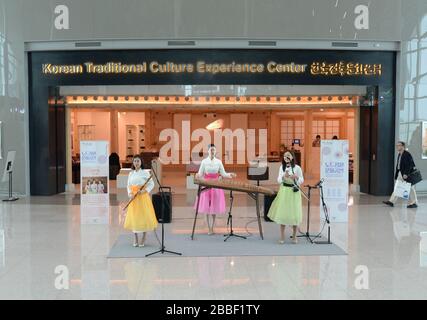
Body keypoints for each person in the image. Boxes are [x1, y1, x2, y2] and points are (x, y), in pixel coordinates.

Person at [194, 144, 237, 235]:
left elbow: (224, 174)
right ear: (208, 151)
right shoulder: (204, 162)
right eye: (211, 150)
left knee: (213, 208)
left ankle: (211, 228)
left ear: (215, 151)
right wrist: (197, 175)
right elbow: (200, 174)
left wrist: (230, 175)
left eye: (214, 150)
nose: (212, 152)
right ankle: (208, 227)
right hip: (206, 185)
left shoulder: (219, 162)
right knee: (207, 208)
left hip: (216, 186)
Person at [267, 151, 304, 244]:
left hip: (294, 192)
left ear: (292, 157)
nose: (286, 157)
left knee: (294, 213)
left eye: (288, 156)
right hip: (284, 191)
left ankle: (294, 236)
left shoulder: (297, 168)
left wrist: (296, 177)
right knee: (283, 213)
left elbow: (302, 179)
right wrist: (284, 176)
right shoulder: (281, 167)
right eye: (284, 156)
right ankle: (282, 237)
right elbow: (279, 180)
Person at [124, 155, 158, 247]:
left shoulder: (145, 173)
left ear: (141, 162)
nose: (136, 163)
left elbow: (152, 184)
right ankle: (135, 237)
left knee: (143, 217)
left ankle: (143, 237)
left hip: (142, 197)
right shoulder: (131, 173)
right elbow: (128, 185)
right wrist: (130, 193)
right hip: (134, 198)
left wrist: (144, 191)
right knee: (134, 217)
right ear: (133, 163)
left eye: (138, 161)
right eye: (135, 161)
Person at [383, 141, 418, 208]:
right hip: (400, 173)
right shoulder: (400, 154)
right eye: (397, 145)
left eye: (399, 145)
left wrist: (406, 173)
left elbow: (410, 164)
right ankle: (391, 201)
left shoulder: (407, 154)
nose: (397, 147)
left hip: (405, 174)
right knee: (397, 187)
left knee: (410, 188)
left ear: (403, 146)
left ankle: (414, 203)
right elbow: (399, 165)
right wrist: (397, 174)